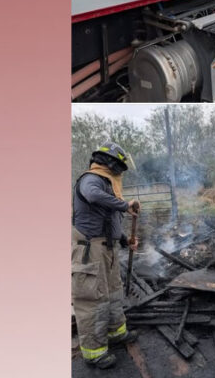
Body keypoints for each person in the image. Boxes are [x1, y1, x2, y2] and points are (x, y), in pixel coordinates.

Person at [71, 141, 142, 369]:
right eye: (120, 166)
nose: (121, 171)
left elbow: (109, 220)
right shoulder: (91, 179)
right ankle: (94, 352)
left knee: (113, 292)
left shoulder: (108, 184)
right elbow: (92, 196)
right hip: (90, 251)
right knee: (93, 299)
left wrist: (124, 239)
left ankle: (115, 333)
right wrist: (124, 205)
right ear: (110, 163)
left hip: (108, 249)